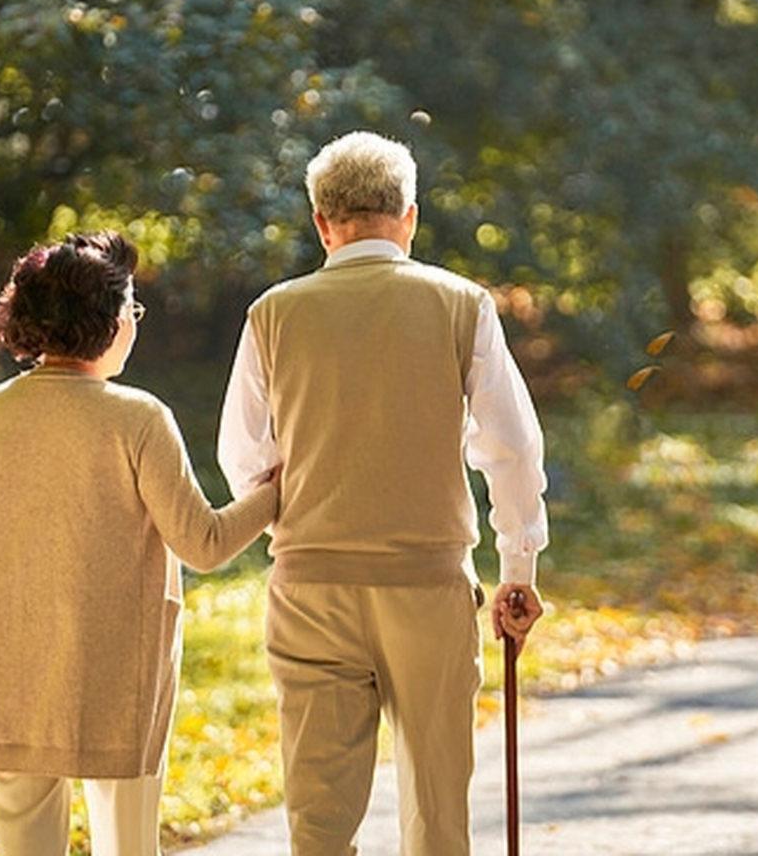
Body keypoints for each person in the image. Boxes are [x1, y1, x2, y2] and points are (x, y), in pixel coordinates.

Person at [217, 130, 549, 856]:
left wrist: (297, 492)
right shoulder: (460, 305)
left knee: (318, 819)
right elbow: (513, 448)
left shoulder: (273, 313)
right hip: (425, 588)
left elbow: (243, 458)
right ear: (410, 217)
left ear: (320, 224)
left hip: (310, 588)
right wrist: (516, 570)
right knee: (436, 813)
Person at [0, 231, 279, 856]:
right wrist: (277, 492)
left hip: (6, 667)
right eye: (133, 311)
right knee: (126, 838)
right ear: (113, 321)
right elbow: (202, 543)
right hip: (116, 669)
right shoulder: (138, 419)